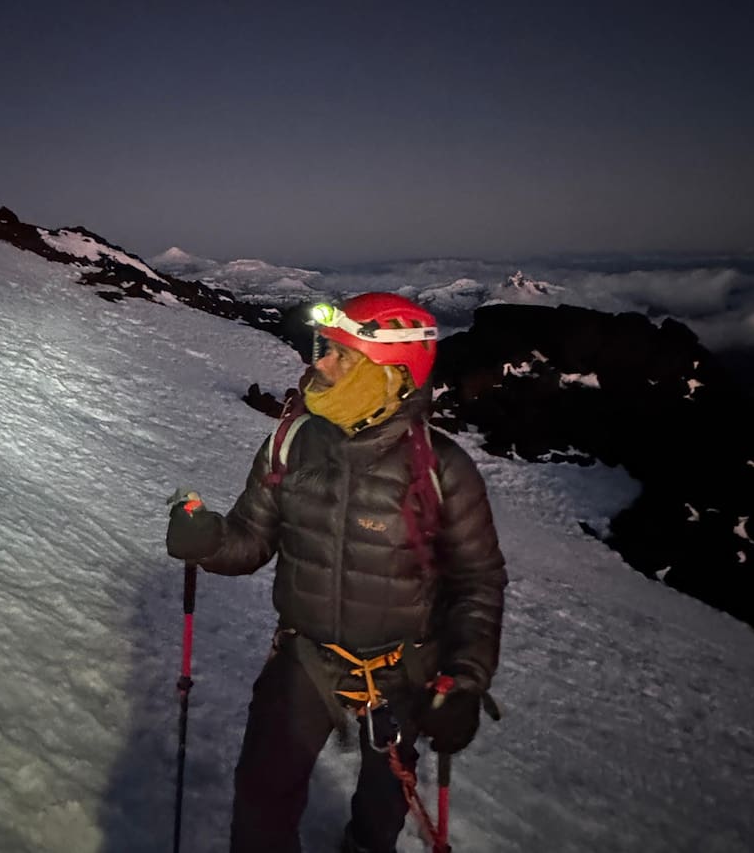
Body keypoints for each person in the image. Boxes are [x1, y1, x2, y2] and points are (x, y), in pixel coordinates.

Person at [167, 292, 507, 853]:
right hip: (304, 657)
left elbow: (478, 581)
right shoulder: (290, 443)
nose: (318, 364)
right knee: (261, 799)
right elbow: (250, 542)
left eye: (340, 355)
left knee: (382, 802)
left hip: (404, 667)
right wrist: (208, 542)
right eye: (322, 348)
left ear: (393, 371)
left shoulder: (442, 469)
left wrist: (465, 680)